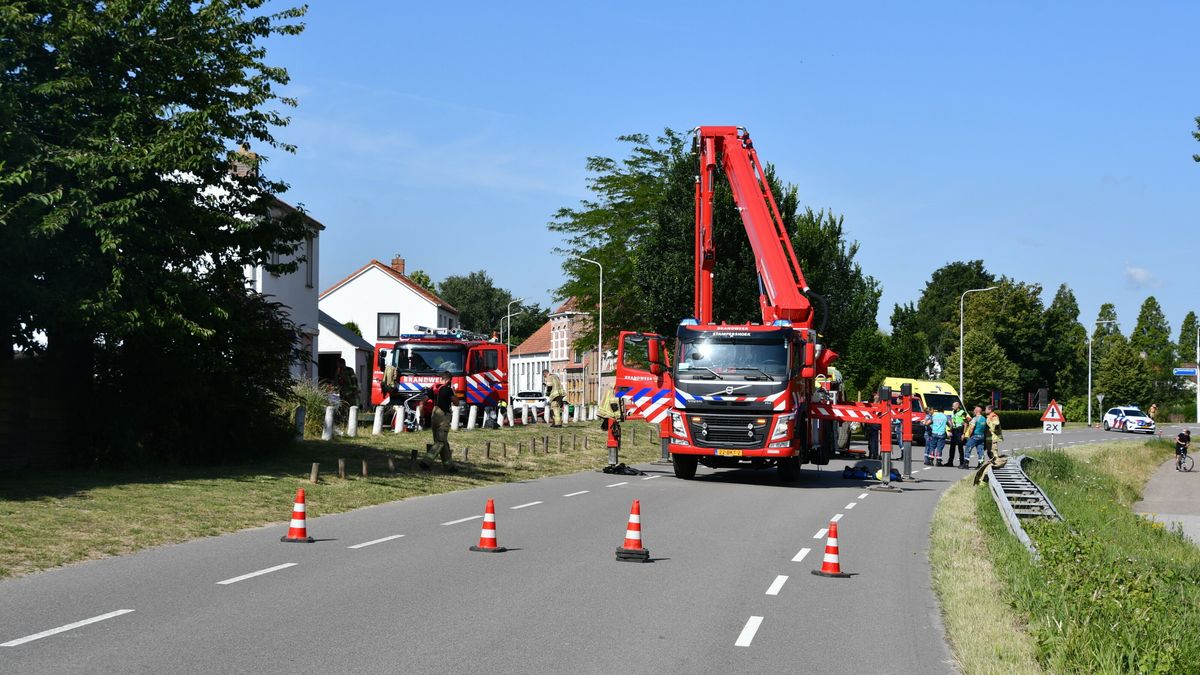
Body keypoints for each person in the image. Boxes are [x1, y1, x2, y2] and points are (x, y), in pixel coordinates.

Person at [420, 372, 457, 472]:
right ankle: (425, 462)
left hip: (434, 415)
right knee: (440, 442)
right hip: (443, 416)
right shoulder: (448, 390)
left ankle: (449, 467)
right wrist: (454, 392)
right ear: (448, 380)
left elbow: (422, 402)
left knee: (442, 442)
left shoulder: (434, 388)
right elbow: (456, 403)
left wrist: (421, 416)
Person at [943, 401, 967, 467]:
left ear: (957, 406)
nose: (952, 407)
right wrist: (950, 431)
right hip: (954, 430)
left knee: (960, 447)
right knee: (952, 447)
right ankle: (950, 462)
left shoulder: (962, 413)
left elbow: (965, 424)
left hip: (960, 430)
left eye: (953, 406)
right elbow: (952, 422)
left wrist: (963, 434)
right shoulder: (953, 412)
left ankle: (962, 463)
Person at [865, 392, 881, 459]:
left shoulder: (872, 405)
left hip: (872, 424)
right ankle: (874, 454)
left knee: (872, 440)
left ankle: (872, 454)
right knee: (874, 440)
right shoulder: (879, 405)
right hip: (874, 424)